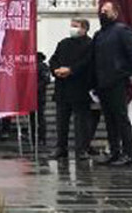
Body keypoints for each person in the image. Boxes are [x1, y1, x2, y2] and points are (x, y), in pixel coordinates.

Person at [90, 1, 132, 166]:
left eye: (106, 11)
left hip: (118, 80)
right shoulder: (98, 35)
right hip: (102, 82)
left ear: (115, 13)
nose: (102, 13)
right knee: (110, 119)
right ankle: (114, 152)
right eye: (101, 11)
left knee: (121, 118)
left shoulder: (122, 30)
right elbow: (94, 59)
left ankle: (128, 154)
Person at [48, 18, 93, 161]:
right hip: (62, 88)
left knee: (81, 122)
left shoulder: (90, 44)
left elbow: (87, 62)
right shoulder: (63, 43)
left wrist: (71, 70)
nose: (72, 28)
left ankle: (82, 149)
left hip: (80, 87)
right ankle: (61, 148)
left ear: (84, 29)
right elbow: (53, 59)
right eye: (71, 26)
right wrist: (55, 70)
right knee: (61, 121)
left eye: (75, 26)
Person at [32, 52, 51, 147]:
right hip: (36, 95)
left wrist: (36, 87)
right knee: (36, 117)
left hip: (39, 95)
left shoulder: (42, 67)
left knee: (39, 117)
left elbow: (46, 80)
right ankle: (36, 137)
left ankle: (40, 137)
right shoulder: (42, 66)